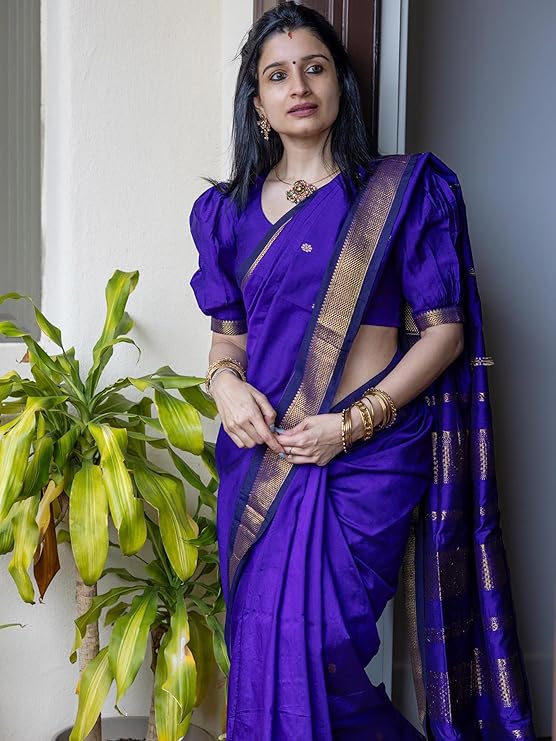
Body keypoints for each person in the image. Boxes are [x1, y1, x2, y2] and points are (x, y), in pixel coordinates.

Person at [189, 4, 535, 739]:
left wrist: (349, 425)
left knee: (322, 658)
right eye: (277, 75)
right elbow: (228, 341)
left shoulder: (400, 194)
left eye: (314, 68)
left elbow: (445, 335)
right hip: (264, 462)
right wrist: (224, 387)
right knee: (266, 654)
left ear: (339, 84)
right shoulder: (225, 214)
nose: (298, 86)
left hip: (367, 458)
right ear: (258, 106)